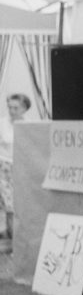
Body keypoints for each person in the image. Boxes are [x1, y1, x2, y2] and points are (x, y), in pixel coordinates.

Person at [0, 93, 31, 251]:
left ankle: (13, 237)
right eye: (10, 107)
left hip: (21, 168)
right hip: (3, 168)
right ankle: (14, 243)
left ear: (24, 109)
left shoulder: (28, 126)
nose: (12, 111)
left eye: (16, 108)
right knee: (9, 206)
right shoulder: (2, 124)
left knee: (18, 205)